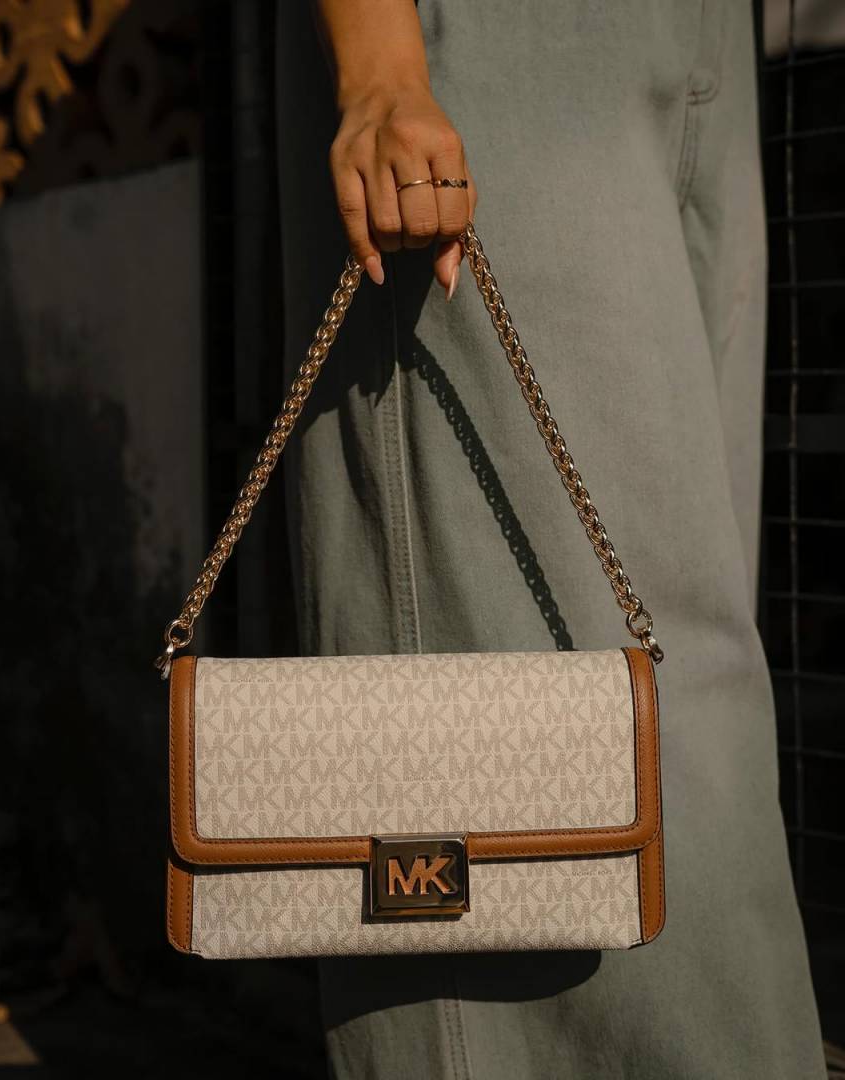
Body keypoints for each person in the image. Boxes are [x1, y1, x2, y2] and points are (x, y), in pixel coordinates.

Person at [274, 2, 825, 1076]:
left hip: (699, 42)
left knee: (692, 698)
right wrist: (382, 67)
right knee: (562, 735)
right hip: (474, 53)